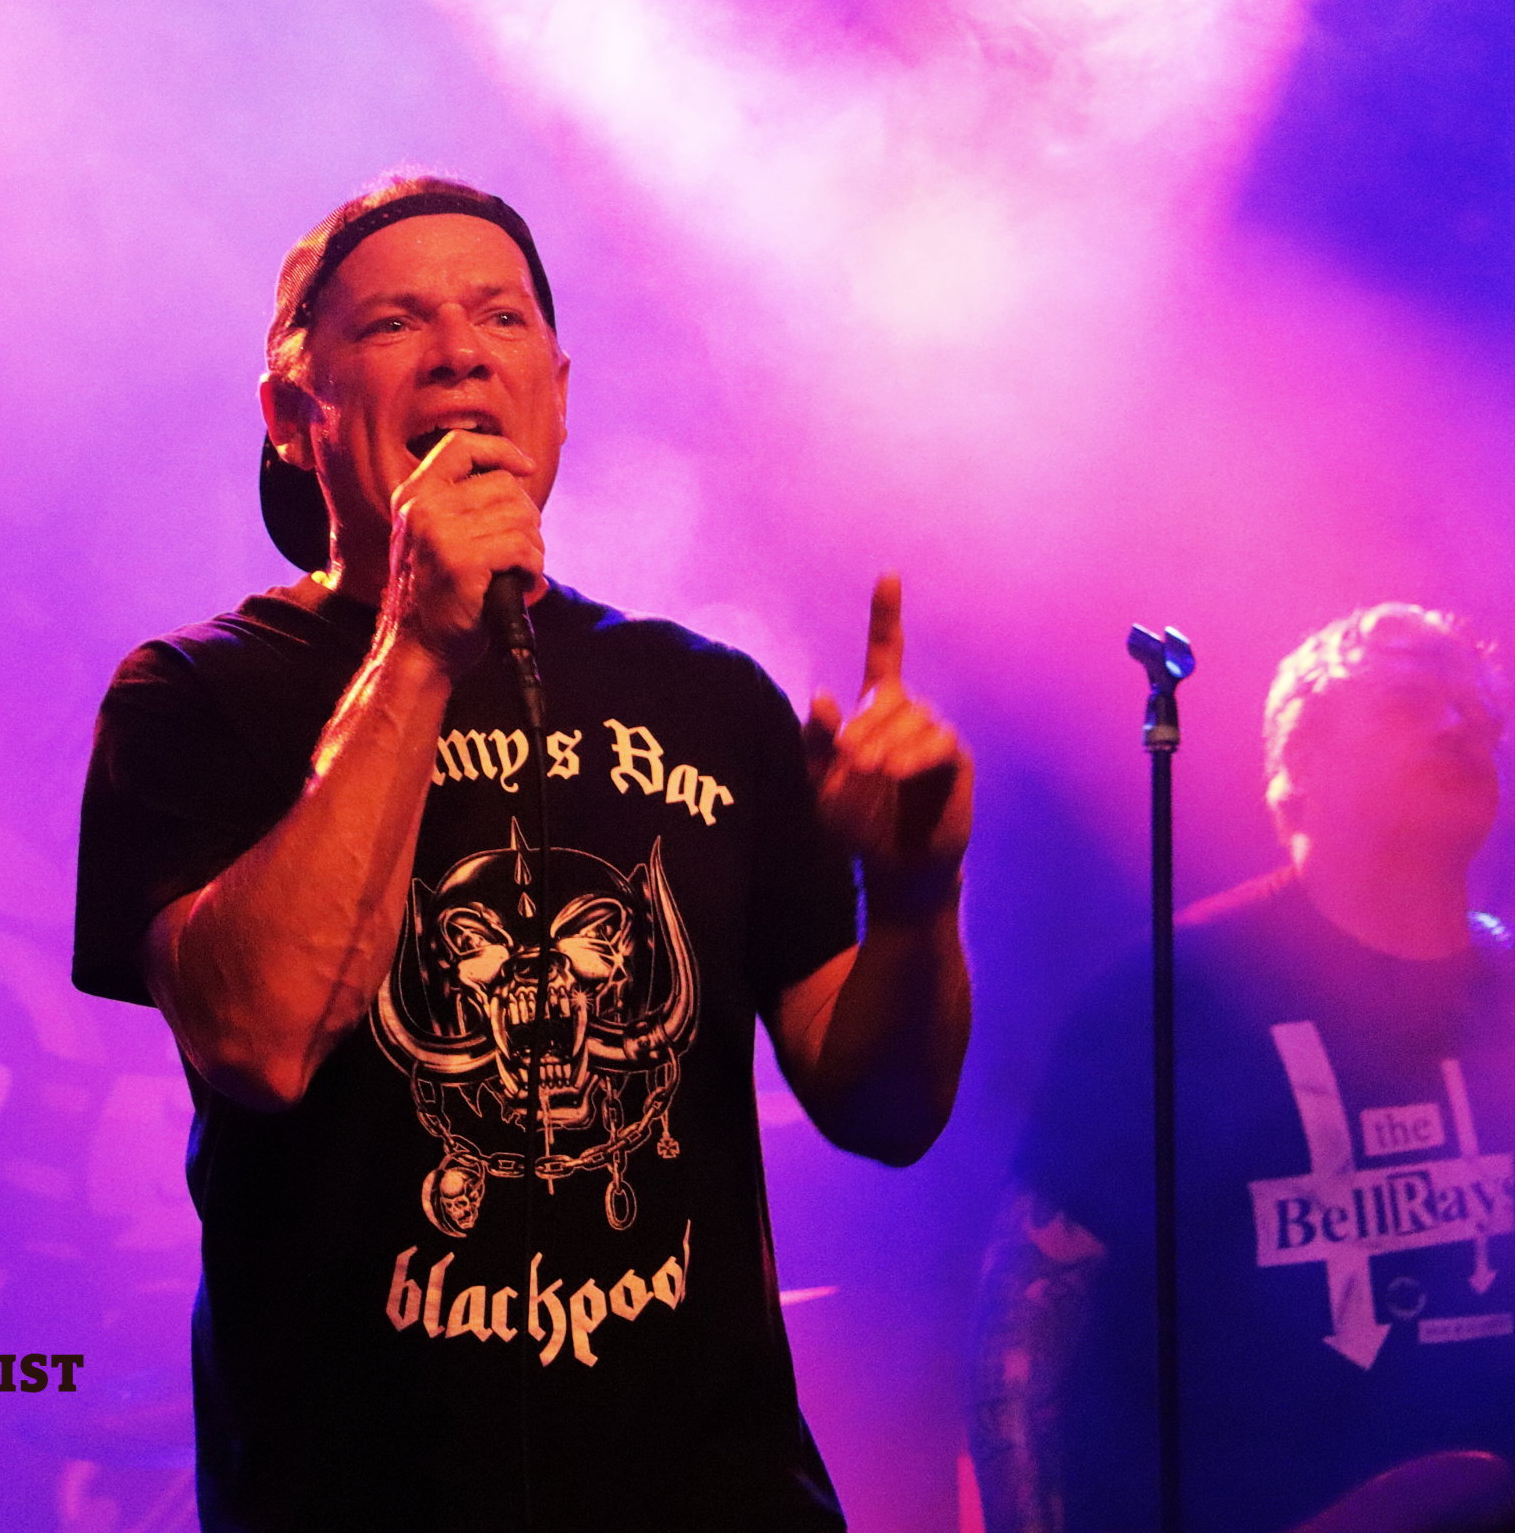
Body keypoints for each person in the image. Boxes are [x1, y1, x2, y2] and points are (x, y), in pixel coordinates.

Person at [72, 174, 975, 1532]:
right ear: (293, 413)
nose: (458, 350)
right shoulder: (197, 695)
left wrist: (913, 894)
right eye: (394, 322)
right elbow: (257, 1038)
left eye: (500, 316)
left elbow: (886, 1109)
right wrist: (419, 639)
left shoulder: (708, 696)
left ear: (555, 392)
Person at [968, 605, 1515, 1533]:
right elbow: (1024, 1338)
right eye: (1411, 700)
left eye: (1476, 710)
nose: (1458, 723)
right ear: (1301, 765)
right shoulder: (1173, 999)